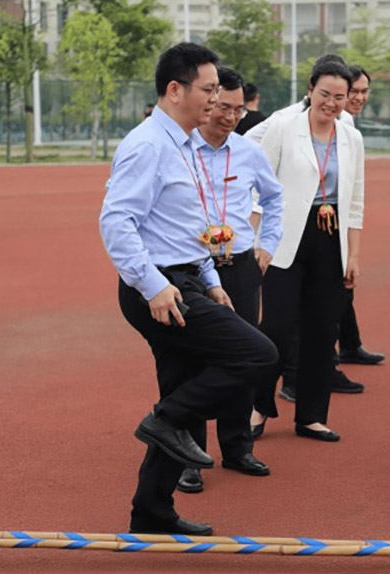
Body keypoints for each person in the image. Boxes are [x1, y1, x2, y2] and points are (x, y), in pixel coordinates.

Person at [99, 42, 278, 535]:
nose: (216, 99)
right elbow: (117, 222)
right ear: (175, 90)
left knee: (181, 389)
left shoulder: (181, 143)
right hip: (157, 289)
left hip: (189, 280)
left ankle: (151, 512)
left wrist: (212, 280)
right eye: (208, 89)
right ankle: (166, 418)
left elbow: (184, 226)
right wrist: (155, 287)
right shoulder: (148, 145)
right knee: (257, 355)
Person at [175, 66, 284, 495]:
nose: (231, 116)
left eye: (239, 109)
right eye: (223, 106)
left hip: (239, 266)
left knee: (243, 355)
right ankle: (190, 457)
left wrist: (267, 245)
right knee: (192, 359)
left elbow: (275, 200)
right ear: (208, 101)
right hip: (191, 265)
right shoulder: (181, 150)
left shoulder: (248, 151)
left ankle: (237, 447)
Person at [251, 61, 365, 442]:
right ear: (310, 88)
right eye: (325, 95)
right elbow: (258, 186)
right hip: (285, 238)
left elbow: (356, 201)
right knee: (277, 328)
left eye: (340, 97)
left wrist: (353, 255)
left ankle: (311, 416)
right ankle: (257, 407)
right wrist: (258, 242)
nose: (332, 103)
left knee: (322, 330)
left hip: (329, 238)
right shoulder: (285, 128)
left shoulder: (351, 138)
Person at [337, 64, 385, 367]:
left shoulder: (348, 123)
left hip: (337, 217)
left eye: (364, 91)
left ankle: (350, 344)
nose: (359, 97)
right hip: (313, 218)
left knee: (343, 285)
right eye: (353, 91)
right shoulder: (335, 120)